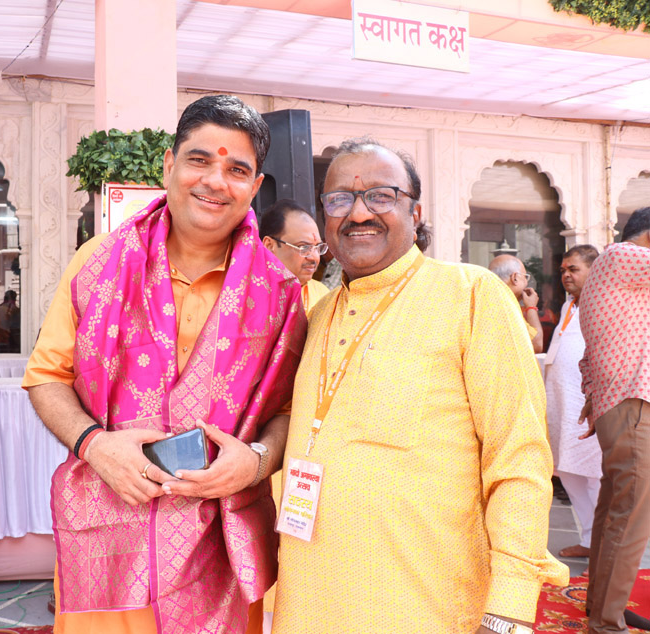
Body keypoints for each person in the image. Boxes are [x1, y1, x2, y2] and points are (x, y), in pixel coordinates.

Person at [23, 95, 306, 634]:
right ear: (168, 164)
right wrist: (95, 445)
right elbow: (46, 378)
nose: (215, 181)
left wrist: (256, 462)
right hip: (110, 529)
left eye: (236, 169)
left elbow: (292, 410)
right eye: (199, 160)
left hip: (220, 544)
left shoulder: (282, 293)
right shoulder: (98, 263)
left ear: (254, 186)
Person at [273, 138, 568, 634]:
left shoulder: (471, 296)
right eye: (340, 199)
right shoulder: (318, 314)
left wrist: (508, 609)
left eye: (381, 196)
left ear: (416, 212)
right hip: (307, 602)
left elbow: (518, 456)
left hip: (423, 606)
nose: (358, 213)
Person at [578, 207, 650, 634]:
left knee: (614, 513)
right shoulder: (623, 256)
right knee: (631, 517)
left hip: (621, 405)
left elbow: (588, 358)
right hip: (631, 405)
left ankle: (604, 607)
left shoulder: (623, 278)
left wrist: (594, 399)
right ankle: (607, 623)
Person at [544, 244, 601, 560]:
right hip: (561, 404)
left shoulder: (603, 302)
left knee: (594, 474)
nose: (566, 275)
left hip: (585, 403)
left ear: (594, 270)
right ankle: (590, 540)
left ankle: (604, 547)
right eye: (563, 270)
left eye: (574, 269)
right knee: (568, 471)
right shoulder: (568, 306)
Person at [259, 198, 330, 314]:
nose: (314, 257)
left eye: (317, 247)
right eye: (303, 247)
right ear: (270, 246)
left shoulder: (323, 295)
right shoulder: (248, 297)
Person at [489, 253, 545, 353]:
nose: (527, 283)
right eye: (525, 277)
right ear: (515, 278)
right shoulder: (506, 306)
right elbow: (536, 345)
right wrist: (531, 308)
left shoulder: (488, 301)